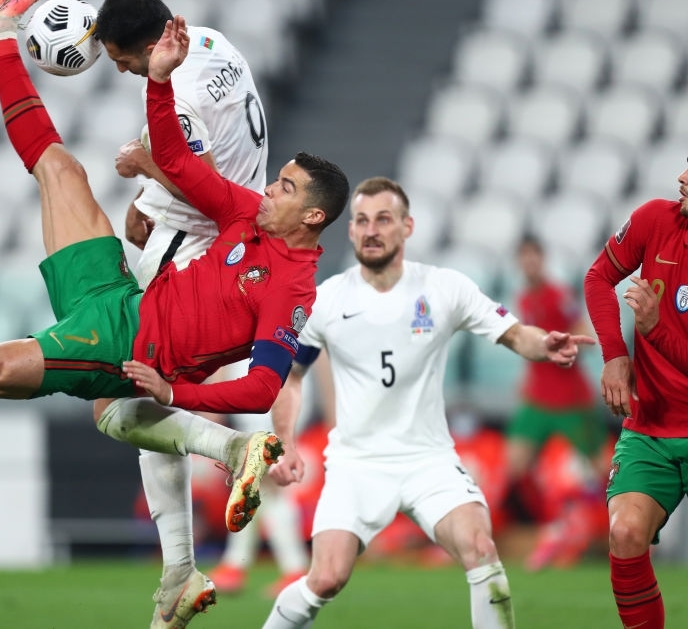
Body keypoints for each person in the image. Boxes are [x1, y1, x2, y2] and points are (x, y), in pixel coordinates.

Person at [0, 0, 349, 627]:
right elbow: (180, 159)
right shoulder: (244, 192)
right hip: (149, 276)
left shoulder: (289, 282)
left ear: (309, 214)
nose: (269, 188)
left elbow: (260, 383)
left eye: (284, 187)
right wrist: (155, 105)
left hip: (154, 300)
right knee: (59, 168)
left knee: (58, 390)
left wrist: (177, 391)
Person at [259, 177, 594, 629]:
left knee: (481, 551)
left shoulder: (443, 288)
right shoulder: (327, 299)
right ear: (352, 230)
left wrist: (544, 345)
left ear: (407, 227)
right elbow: (291, 376)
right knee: (325, 578)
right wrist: (287, 440)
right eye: (361, 220)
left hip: (428, 460)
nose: (370, 229)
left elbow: (515, 333)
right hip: (356, 463)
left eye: (383, 219)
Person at [93, 0, 308, 616]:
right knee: (160, 395)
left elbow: (196, 177)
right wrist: (146, 204)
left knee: (130, 395)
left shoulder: (174, 87)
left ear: (143, 45)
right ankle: (238, 468)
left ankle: (182, 562)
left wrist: (142, 168)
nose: (123, 69)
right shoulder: (215, 47)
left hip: (196, 246)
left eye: (121, 59)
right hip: (230, 241)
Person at [583, 163, 688, 629]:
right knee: (624, 533)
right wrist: (615, 355)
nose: (683, 179)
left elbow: (661, 332)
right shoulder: (655, 219)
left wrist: (656, 331)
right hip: (653, 427)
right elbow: (598, 278)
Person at [505, 234, 609, 570]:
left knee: (602, 468)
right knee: (515, 463)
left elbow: (582, 331)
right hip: (537, 397)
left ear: (542, 259)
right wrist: (525, 378)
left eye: (534, 256)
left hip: (571, 399)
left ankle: (619, 531)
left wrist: (569, 346)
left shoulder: (557, 294)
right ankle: (552, 527)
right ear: (520, 262)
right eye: (525, 257)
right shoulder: (524, 297)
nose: (530, 263)